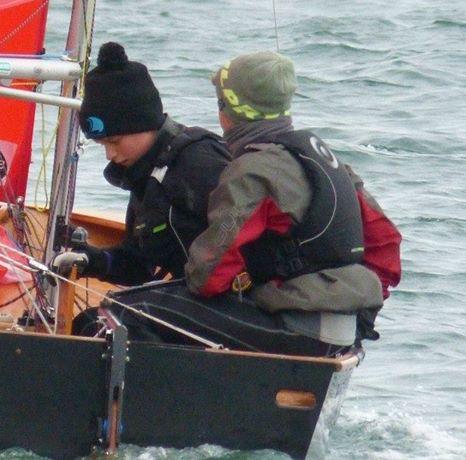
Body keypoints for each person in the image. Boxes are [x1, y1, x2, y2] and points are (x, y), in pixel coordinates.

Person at [183, 51, 402, 353]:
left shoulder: (251, 171)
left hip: (296, 325)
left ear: (226, 111)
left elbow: (209, 276)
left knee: (134, 311)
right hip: (347, 329)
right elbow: (385, 241)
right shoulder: (326, 159)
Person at [50, 42, 231, 334]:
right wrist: (90, 259)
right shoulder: (144, 176)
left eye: (114, 141)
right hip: (188, 296)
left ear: (144, 124)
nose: (109, 154)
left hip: (227, 302)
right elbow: (139, 265)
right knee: (88, 323)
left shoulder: (199, 164)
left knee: (104, 329)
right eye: (102, 145)